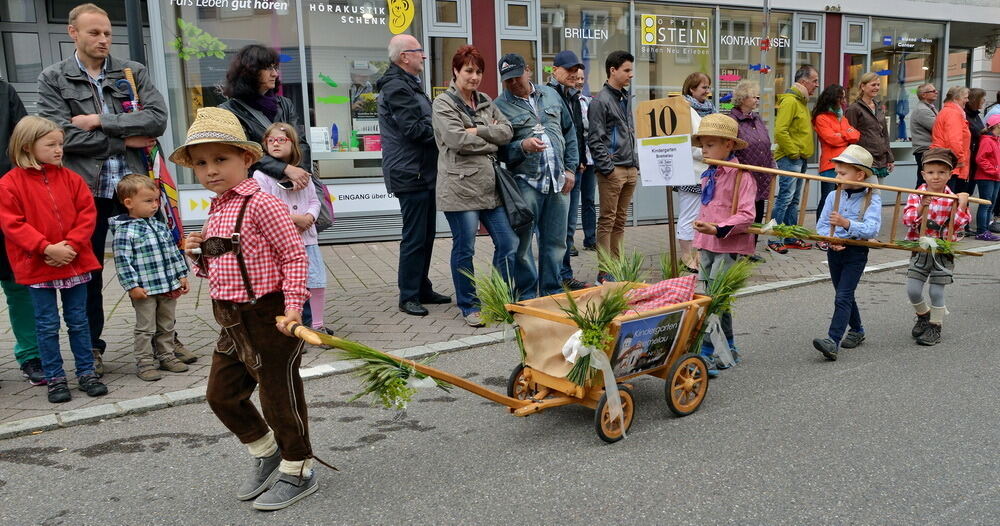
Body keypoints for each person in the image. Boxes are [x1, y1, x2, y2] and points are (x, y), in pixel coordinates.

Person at [176, 107, 324, 510]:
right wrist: (199, 253)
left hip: (270, 314)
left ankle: (298, 469)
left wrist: (294, 308)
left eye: (220, 159)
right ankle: (266, 451)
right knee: (221, 395)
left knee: (279, 398)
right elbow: (220, 266)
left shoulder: (263, 204)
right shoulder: (218, 208)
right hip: (232, 320)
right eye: (201, 163)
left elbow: (294, 257)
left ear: (247, 158)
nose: (210, 170)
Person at [37, 3, 168, 375]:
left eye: (108, 33)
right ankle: (91, 347)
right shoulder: (53, 78)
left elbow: (157, 118)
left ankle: (163, 342)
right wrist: (125, 140)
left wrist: (100, 120)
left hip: (134, 188)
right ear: (73, 33)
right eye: (94, 33)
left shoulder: (131, 72)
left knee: (154, 264)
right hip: (85, 192)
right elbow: (59, 135)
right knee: (88, 272)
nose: (103, 40)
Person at [0, 116, 106, 403]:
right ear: (27, 146)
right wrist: (47, 248)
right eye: (51, 145)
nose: (59, 150)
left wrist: (70, 245)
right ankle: (55, 378)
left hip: (74, 260)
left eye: (61, 144)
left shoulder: (71, 178)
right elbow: (13, 224)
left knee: (78, 321)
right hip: (38, 265)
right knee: (46, 324)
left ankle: (86, 373)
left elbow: (87, 213)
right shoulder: (10, 184)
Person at [431, 45, 516, 327]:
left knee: (508, 242)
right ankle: (469, 304)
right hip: (460, 188)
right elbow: (457, 140)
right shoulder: (443, 104)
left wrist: (479, 131)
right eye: (469, 70)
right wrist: (491, 140)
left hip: (490, 188)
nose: (474, 76)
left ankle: (497, 296)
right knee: (465, 248)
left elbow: (507, 131)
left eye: (479, 71)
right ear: (455, 71)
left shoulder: (485, 100)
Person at [495, 53, 579, 299]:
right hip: (526, 184)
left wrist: (570, 169)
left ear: (528, 71)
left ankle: (551, 292)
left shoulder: (551, 95)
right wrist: (522, 146)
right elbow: (500, 152)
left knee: (556, 243)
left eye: (517, 77)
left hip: (558, 182)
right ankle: (528, 296)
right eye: (507, 80)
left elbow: (569, 132)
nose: (513, 83)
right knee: (522, 246)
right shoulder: (500, 106)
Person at [377, 34, 450, 317]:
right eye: (419, 51)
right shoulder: (397, 86)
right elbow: (415, 129)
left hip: (422, 171)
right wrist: (448, 133)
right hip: (410, 172)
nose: (424, 55)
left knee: (426, 234)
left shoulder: (409, 85)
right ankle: (408, 295)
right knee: (415, 236)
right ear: (404, 56)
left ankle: (421, 287)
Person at [690, 114, 755, 377]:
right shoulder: (709, 174)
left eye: (711, 144)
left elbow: (747, 214)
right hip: (707, 244)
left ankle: (706, 352)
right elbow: (707, 208)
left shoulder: (742, 177)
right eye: (703, 145)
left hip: (728, 244)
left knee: (713, 299)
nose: (705, 150)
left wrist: (718, 228)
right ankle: (728, 347)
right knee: (718, 298)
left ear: (729, 145)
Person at [109, 175, 190, 381]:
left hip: (168, 285)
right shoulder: (125, 231)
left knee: (167, 324)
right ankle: (144, 362)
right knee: (145, 328)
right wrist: (132, 286)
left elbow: (173, 251)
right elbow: (123, 262)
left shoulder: (160, 225)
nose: (155, 205)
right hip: (145, 290)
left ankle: (166, 356)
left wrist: (182, 274)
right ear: (129, 203)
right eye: (148, 201)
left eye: (156, 200)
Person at [254, 123, 331, 332]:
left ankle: (317, 325)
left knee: (315, 280)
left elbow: (315, 201)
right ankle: (290, 326)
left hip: (308, 239)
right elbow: (264, 207)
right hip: (281, 242)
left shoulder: (303, 173)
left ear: (293, 144)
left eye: (281, 140)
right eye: (271, 141)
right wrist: (296, 219)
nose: (275, 144)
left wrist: (309, 217)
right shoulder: (261, 176)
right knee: (284, 284)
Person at [812, 145, 882, 361]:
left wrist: (846, 224)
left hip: (856, 251)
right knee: (844, 294)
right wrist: (831, 239)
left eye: (843, 173)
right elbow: (822, 225)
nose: (837, 176)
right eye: (837, 172)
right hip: (835, 250)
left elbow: (872, 228)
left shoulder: (872, 198)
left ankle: (832, 341)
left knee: (843, 295)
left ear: (860, 175)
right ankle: (857, 330)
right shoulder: (834, 195)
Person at [902, 147, 970, 346]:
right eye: (931, 172)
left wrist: (963, 205)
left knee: (936, 291)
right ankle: (924, 315)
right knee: (913, 289)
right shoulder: (915, 195)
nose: (936, 177)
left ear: (950, 174)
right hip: (920, 248)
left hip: (943, 251)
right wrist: (922, 206)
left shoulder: (954, 198)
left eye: (941, 172)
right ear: (923, 174)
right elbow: (907, 220)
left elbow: (959, 224)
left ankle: (935, 326)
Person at [219, 44, 312, 190]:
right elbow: (244, 152)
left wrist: (300, 173)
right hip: (256, 188)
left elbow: (300, 142)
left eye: (275, 68)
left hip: (293, 186)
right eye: (268, 68)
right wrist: (285, 169)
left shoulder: (285, 104)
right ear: (250, 72)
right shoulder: (228, 111)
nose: (275, 74)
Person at [0, 78, 43, 387]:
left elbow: (21, 144)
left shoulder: (4, 91)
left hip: (8, 201)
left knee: (19, 284)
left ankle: (31, 355)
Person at [588, 50, 637, 282]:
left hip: (629, 168)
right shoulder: (601, 101)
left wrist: (634, 163)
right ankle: (604, 272)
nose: (631, 74)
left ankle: (616, 267)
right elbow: (594, 139)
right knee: (607, 220)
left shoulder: (624, 97)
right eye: (627, 70)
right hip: (613, 170)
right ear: (613, 70)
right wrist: (608, 168)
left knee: (620, 220)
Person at [545, 50, 591, 290]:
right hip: (556, 172)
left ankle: (564, 274)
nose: (574, 74)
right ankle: (554, 277)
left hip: (575, 169)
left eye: (576, 70)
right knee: (556, 228)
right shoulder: (548, 94)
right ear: (555, 70)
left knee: (569, 226)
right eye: (569, 70)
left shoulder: (573, 95)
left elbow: (576, 135)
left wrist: (579, 161)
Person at [771, 64, 820, 253]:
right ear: (803, 81)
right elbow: (780, 131)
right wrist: (793, 152)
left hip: (799, 158)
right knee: (785, 199)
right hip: (790, 158)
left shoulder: (801, 101)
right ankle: (774, 239)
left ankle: (790, 236)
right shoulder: (791, 101)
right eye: (814, 81)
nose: (816, 85)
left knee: (793, 200)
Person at [731, 80, 777, 260]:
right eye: (754, 96)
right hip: (743, 176)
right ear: (743, 98)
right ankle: (735, 250)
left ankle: (750, 250)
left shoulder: (757, 119)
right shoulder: (732, 120)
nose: (758, 99)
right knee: (741, 214)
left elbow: (765, 143)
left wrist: (772, 165)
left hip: (762, 174)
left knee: (757, 214)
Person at [677, 72, 715, 271]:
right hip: (691, 172)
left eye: (709, 87)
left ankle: (698, 254)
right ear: (691, 89)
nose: (708, 92)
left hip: (708, 171)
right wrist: (711, 153)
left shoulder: (709, 110)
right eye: (703, 88)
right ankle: (685, 255)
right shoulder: (685, 110)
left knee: (703, 215)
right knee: (689, 214)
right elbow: (687, 144)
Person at [813, 84, 861, 232]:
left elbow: (856, 135)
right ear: (833, 98)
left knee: (841, 201)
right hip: (829, 165)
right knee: (827, 199)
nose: (844, 100)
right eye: (841, 97)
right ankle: (822, 232)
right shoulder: (821, 118)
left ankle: (836, 231)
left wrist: (841, 134)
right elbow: (831, 139)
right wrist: (845, 134)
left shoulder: (842, 116)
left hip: (845, 164)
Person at [845, 73, 894, 185]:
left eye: (878, 85)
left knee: (875, 196)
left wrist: (889, 158)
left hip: (881, 159)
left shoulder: (879, 107)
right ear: (863, 86)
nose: (876, 88)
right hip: (864, 159)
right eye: (873, 85)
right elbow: (850, 137)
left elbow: (885, 134)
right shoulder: (854, 109)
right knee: (873, 194)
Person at [573, 70, 598, 252]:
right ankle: (568, 243)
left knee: (588, 200)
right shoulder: (566, 101)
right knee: (571, 204)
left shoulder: (588, 101)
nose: (579, 82)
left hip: (590, 159)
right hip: (575, 160)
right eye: (576, 78)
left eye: (582, 79)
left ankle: (590, 239)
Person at [930, 86, 972, 194]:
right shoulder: (953, 113)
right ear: (956, 98)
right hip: (951, 163)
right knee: (950, 200)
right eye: (965, 97)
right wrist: (960, 160)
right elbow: (954, 141)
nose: (967, 100)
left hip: (947, 160)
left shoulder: (948, 111)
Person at [973, 114, 1000, 240]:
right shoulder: (987, 140)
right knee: (985, 204)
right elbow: (980, 159)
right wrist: (994, 170)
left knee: (991, 204)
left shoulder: (996, 140)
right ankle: (981, 231)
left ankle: (986, 230)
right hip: (986, 177)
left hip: (995, 177)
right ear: (998, 125)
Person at [910, 83, 939, 185]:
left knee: (926, 180)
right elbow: (937, 127)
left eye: (935, 90)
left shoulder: (929, 107)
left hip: (927, 149)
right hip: (925, 150)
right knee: (925, 180)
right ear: (923, 95)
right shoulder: (923, 110)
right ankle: (918, 200)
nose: (936, 92)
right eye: (933, 91)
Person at [965, 88, 987, 197]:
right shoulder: (965, 114)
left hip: (975, 156)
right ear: (975, 99)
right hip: (968, 156)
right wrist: (982, 132)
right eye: (982, 98)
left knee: (970, 189)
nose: (984, 101)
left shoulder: (975, 115)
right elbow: (971, 131)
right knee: (965, 189)